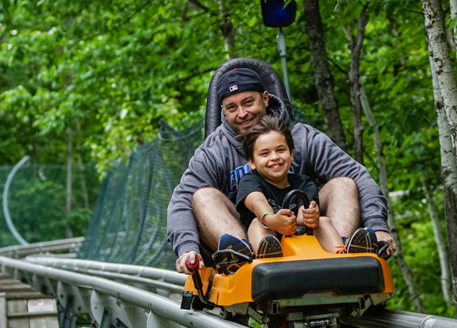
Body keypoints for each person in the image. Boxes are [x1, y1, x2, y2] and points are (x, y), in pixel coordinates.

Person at [167, 67, 396, 275]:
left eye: (248, 102)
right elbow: (181, 200)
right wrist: (187, 248)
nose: (242, 113)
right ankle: (243, 258)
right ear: (224, 112)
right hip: (250, 232)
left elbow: (358, 175)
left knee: (343, 182)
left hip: (307, 229)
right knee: (202, 195)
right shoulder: (213, 151)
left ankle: (343, 250)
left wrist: (377, 225)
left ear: (265, 99)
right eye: (232, 108)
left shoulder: (304, 138)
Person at [229, 115, 375, 259]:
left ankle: (340, 253)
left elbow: (303, 213)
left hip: (301, 241)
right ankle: (267, 255)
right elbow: (257, 202)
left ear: (291, 154)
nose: (274, 157)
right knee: (258, 223)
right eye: (265, 153)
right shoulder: (250, 180)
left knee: (323, 221)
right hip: (266, 238)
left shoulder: (304, 183)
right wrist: (271, 219)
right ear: (252, 162)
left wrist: (310, 216)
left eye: (280, 150)